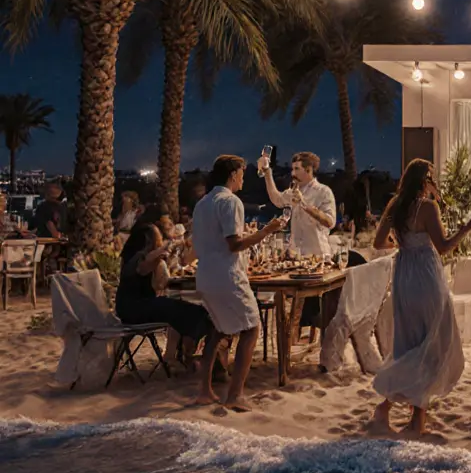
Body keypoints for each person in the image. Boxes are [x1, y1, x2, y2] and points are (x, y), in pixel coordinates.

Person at [371, 159, 471, 436]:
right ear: (425, 180)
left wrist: (402, 244)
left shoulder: (394, 205)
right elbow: (443, 247)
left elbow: (378, 242)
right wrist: (467, 227)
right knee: (432, 343)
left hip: (404, 276)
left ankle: (391, 410)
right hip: (426, 277)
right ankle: (412, 417)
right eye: (431, 178)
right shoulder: (427, 207)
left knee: (408, 345)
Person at [193, 156, 285, 410]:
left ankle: (204, 391)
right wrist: (266, 232)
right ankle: (235, 394)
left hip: (205, 275)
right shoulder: (231, 201)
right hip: (227, 275)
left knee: (217, 329)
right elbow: (233, 244)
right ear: (233, 174)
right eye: (243, 173)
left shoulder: (202, 204)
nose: (244, 178)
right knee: (251, 328)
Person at [115, 207, 213, 368]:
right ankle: (191, 353)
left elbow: (163, 280)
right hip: (133, 310)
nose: (160, 239)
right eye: (157, 237)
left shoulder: (139, 259)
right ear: (147, 242)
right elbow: (145, 267)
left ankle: (185, 352)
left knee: (179, 307)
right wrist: (165, 249)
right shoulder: (138, 260)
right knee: (181, 309)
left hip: (138, 306)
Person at [260, 152, 336, 257]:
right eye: (292, 169)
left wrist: (303, 202)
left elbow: (330, 222)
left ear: (308, 169)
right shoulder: (293, 191)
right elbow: (276, 199)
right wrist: (267, 173)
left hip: (318, 255)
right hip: (296, 256)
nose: (292, 173)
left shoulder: (323, 191)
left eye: (296, 169)